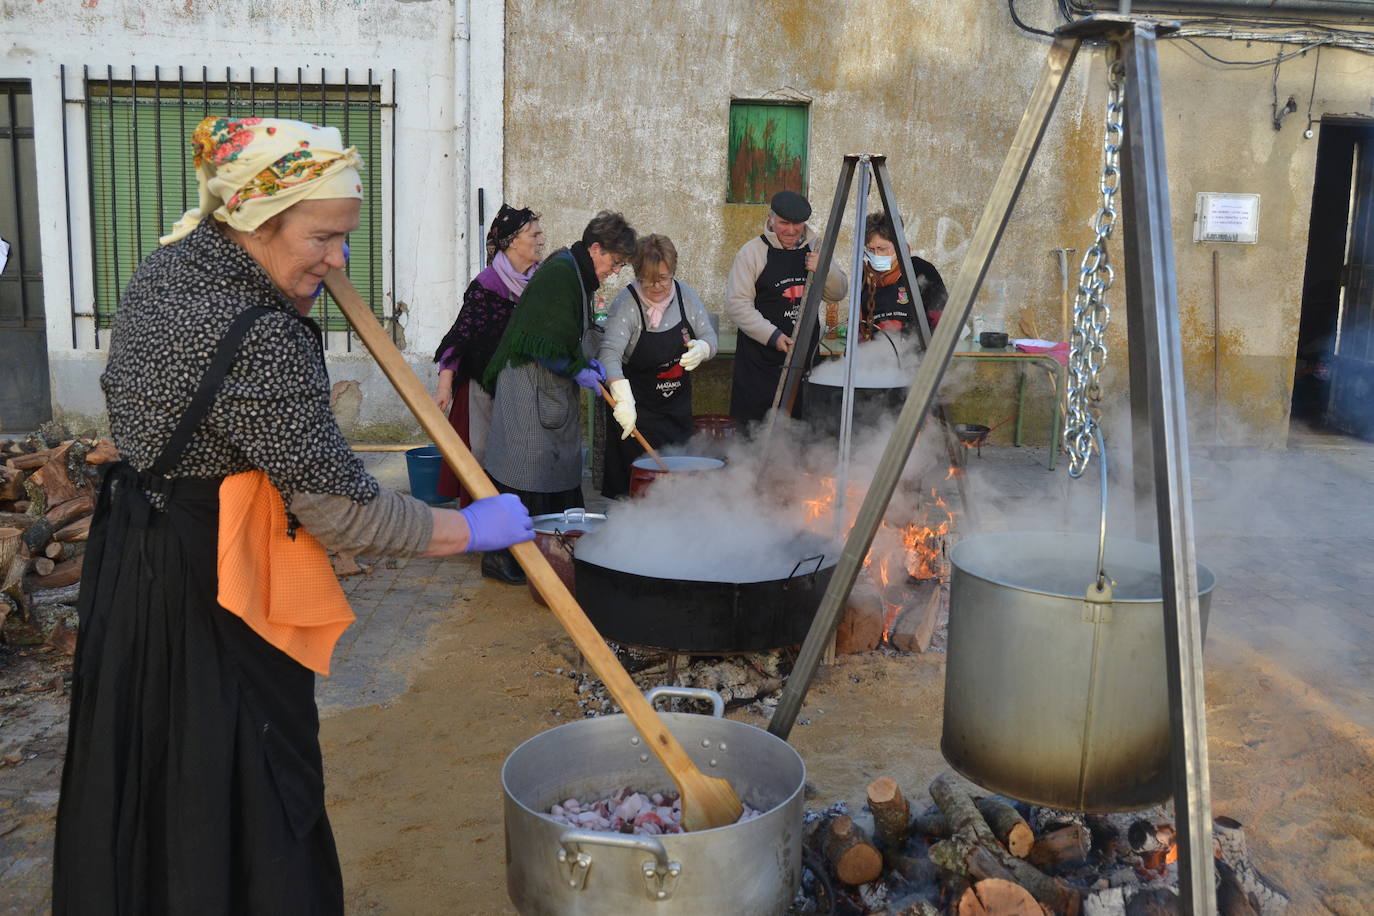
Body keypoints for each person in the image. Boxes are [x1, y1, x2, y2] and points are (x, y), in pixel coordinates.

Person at [51, 116, 533, 914]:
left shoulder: (163, 271)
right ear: (253, 219)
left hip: (134, 565)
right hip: (213, 589)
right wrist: (468, 530)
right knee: (250, 780)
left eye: (345, 237)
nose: (340, 260)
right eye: (323, 237)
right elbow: (344, 512)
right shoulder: (258, 336)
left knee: (151, 766)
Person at [480, 210, 636, 583]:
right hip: (527, 388)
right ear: (596, 248)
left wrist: (587, 361)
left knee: (553, 475)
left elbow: (565, 332)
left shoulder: (576, 273)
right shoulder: (561, 274)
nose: (614, 272)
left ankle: (554, 554)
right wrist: (577, 368)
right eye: (614, 263)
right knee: (525, 475)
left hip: (548, 389)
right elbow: (540, 339)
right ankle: (503, 559)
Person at [432, 204, 545, 505]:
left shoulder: (542, 284)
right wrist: (445, 386)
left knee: (521, 461)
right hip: (483, 389)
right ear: (512, 242)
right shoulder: (486, 285)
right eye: (534, 234)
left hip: (523, 390)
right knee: (482, 456)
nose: (541, 240)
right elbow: (460, 336)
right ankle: (485, 526)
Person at [597, 234, 718, 498]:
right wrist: (622, 398)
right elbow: (608, 354)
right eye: (649, 280)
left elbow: (710, 336)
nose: (657, 286)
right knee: (636, 495)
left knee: (677, 491)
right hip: (637, 417)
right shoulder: (626, 304)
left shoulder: (686, 296)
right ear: (638, 274)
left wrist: (704, 349)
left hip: (676, 413)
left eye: (664, 278)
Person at [725, 189, 848, 426]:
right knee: (755, 430)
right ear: (771, 219)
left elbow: (837, 293)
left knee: (799, 430)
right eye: (784, 223)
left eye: (797, 224)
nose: (791, 230)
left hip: (804, 357)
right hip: (758, 363)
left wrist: (824, 268)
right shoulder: (752, 252)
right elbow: (737, 305)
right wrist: (773, 336)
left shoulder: (816, 248)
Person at [860, 210, 948, 341]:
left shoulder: (922, 271)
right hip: (875, 354)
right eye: (871, 249)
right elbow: (860, 325)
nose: (876, 255)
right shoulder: (864, 276)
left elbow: (943, 322)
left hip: (915, 353)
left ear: (898, 244)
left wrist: (903, 328)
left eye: (882, 248)